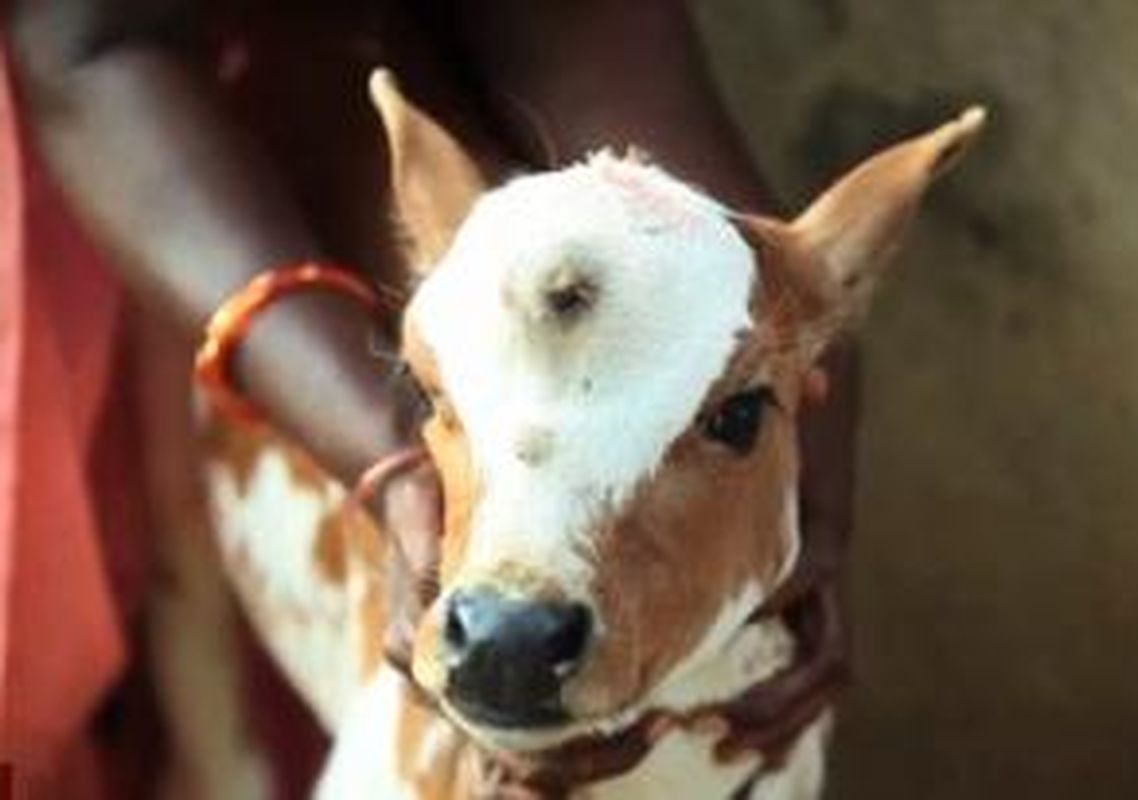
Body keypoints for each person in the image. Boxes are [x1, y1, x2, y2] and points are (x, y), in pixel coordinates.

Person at [2, 2, 855, 796]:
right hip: (161, 172)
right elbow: (88, 40)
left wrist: (773, 309)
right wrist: (392, 452)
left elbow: (584, 41)